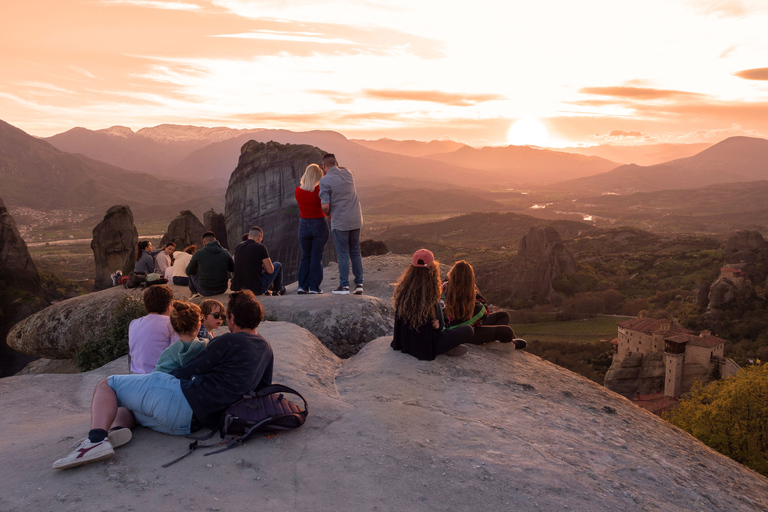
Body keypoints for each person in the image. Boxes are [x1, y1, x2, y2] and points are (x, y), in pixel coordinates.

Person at [52, 290, 274, 470]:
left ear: (232, 318)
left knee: (107, 385)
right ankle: (115, 430)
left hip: (180, 398)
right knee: (129, 406)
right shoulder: (266, 349)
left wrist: (159, 379)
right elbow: (263, 390)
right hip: (189, 424)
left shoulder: (227, 341)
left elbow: (189, 370)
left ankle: (95, 441)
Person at [390, 249, 476, 360]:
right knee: (468, 330)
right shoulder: (430, 294)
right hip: (425, 346)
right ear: (432, 269)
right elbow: (438, 327)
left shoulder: (403, 291)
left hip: (404, 342)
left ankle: (447, 349)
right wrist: (437, 324)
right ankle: (446, 349)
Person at [443, 260, 527, 350]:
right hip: (464, 332)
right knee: (507, 332)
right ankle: (509, 343)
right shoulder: (456, 293)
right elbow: (483, 313)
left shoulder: (446, 287)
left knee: (503, 315)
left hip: (471, 325)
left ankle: (497, 340)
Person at [319, 153, 363, 295]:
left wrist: (327, 215)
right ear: (336, 163)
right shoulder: (349, 174)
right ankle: (359, 284)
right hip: (356, 219)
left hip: (340, 221)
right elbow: (344, 168)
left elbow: (325, 206)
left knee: (343, 254)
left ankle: (344, 286)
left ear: (323, 166)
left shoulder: (325, 181)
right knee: (355, 252)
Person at [295, 163, 330, 294]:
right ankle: (314, 287)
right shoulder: (320, 191)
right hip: (319, 224)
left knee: (305, 256)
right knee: (316, 256)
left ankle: (302, 286)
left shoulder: (298, 191)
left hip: (303, 225)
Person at [128, 285, 176, 374]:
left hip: (137, 377)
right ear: (169, 306)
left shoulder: (133, 323)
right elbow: (178, 354)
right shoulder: (171, 323)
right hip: (160, 377)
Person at [154, 301, 208, 374]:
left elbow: (157, 377)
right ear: (197, 325)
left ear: (174, 327)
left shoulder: (168, 353)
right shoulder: (208, 346)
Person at [231, 226, 285, 296]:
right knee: (277, 265)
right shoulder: (260, 247)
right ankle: (278, 290)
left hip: (238, 289)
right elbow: (270, 270)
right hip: (255, 290)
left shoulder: (238, 248)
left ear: (248, 237)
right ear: (260, 236)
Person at [186, 231, 234, 297]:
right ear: (216, 240)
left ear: (204, 242)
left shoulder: (198, 253)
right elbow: (232, 268)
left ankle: (194, 293)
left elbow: (188, 271)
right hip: (222, 289)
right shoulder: (225, 252)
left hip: (205, 290)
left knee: (191, 271)